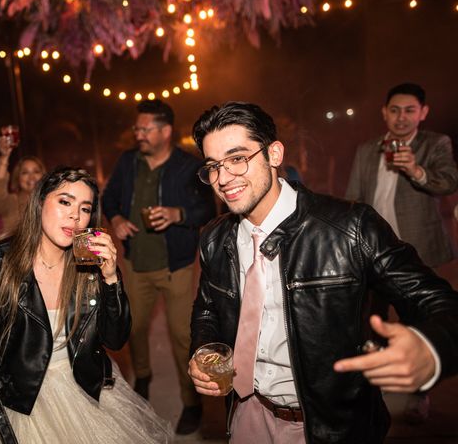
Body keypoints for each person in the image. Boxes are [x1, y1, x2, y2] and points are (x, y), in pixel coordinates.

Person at [187, 101, 458, 443]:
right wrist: (203, 349)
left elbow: (441, 303)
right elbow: (207, 307)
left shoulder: (351, 227)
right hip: (246, 412)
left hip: (330, 427)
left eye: (238, 158)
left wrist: (429, 348)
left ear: (274, 154)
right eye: (213, 166)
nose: (223, 178)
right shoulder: (215, 237)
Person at [0, 167, 172, 443]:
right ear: (40, 202)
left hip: (84, 389)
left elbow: (115, 339)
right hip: (20, 399)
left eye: (85, 208)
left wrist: (111, 278)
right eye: (65, 201)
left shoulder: (89, 264)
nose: (75, 215)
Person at [345, 82, 458, 423]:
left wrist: (416, 170)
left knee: (417, 321)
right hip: (373, 251)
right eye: (395, 110)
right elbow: (354, 197)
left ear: (423, 113)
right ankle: (371, 385)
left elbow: (448, 182)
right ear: (385, 113)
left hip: (417, 253)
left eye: (410, 110)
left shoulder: (435, 144)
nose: (402, 117)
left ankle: (419, 392)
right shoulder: (368, 149)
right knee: (370, 319)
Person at [102, 99, 216, 434]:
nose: (138, 134)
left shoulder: (187, 166)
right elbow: (109, 199)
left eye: (145, 128)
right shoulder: (128, 162)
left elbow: (208, 210)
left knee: (183, 337)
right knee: (133, 329)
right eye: (137, 128)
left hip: (176, 267)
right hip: (136, 265)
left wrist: (177, 215)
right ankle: (144, 376)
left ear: (165, 131)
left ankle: (192, 402)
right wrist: (118, 218)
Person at [0, 134, 45, 231]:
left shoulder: (53, 200)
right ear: (18, 178)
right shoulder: (11, 203)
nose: (31, 177)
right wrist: (4, 157)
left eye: (36, 171)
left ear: (44, 175)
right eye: (25, 172)